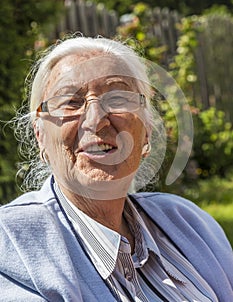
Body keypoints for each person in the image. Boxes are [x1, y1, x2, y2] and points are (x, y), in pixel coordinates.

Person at [0, 36, 232, 302]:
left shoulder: (190, 223)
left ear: (146, 133)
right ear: (40, 136)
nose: (96, 120)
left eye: (118, 98)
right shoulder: (10, 244)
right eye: (71, 102)